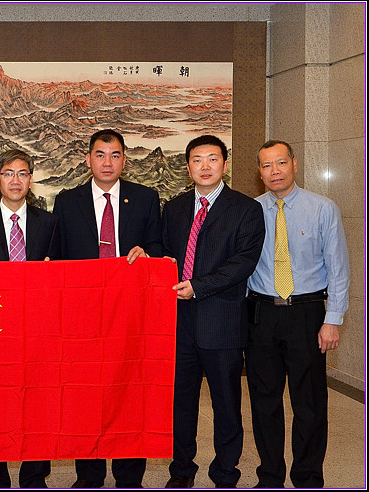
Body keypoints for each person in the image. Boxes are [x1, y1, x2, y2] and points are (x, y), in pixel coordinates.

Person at [52, 129, 162, 488]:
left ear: (124, 161)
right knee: (87, 397)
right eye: (100, 154)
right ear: (88, 160)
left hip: (130, 316)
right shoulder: (67, 201)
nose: (107, 162)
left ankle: (130, 477)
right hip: (83, 318)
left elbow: (159, 247)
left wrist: (148, 254)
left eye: (115, 155)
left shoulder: (145, 198)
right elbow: (58, 257)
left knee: (129, 393)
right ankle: (89, 476)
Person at [161, 135, 265, 488]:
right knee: (181, 404)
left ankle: (225, 472)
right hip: (178, 323)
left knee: (226, 404)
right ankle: (181, 471)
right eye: (197, 160)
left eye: (212, 159)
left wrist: (199, 285)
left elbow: (243, 262)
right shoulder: (174, 208)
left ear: (225, 164)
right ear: (187, 166)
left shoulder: (246, 209)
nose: (204, 166)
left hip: (221, 322)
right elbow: (165, 253)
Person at [246, 140, 349, 488]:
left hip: (306, 314)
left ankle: (307, 477)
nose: (274, 171)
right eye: (266, 165)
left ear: (294, 164)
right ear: (259, 173)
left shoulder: (323, 208)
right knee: (264, 402)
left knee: (309, 403)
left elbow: (338, 268)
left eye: (280, 163)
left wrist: (332, 320)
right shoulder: (250, 211)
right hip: (261, 313)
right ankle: (270, 476)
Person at [0, 149, 59, 488]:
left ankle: (34, 476)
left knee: (37, 405)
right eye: (8, 173)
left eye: (22, 173)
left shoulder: (50, 223)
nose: (15, 180)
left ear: (31, 180)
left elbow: (61, 277)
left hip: (38, 330)